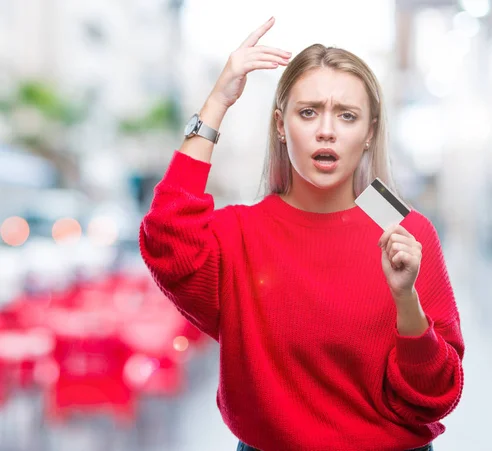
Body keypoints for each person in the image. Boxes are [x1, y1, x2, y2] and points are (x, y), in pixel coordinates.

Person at [140, 17, 464, 451]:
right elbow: (166, 237)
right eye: (308, 112)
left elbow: (436, 394)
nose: (326, 130)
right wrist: (217, 101)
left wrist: (407, 299)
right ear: (280, 125)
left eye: (347, 116)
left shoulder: (403, 230)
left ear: (368, 133)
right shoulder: (242, 233)